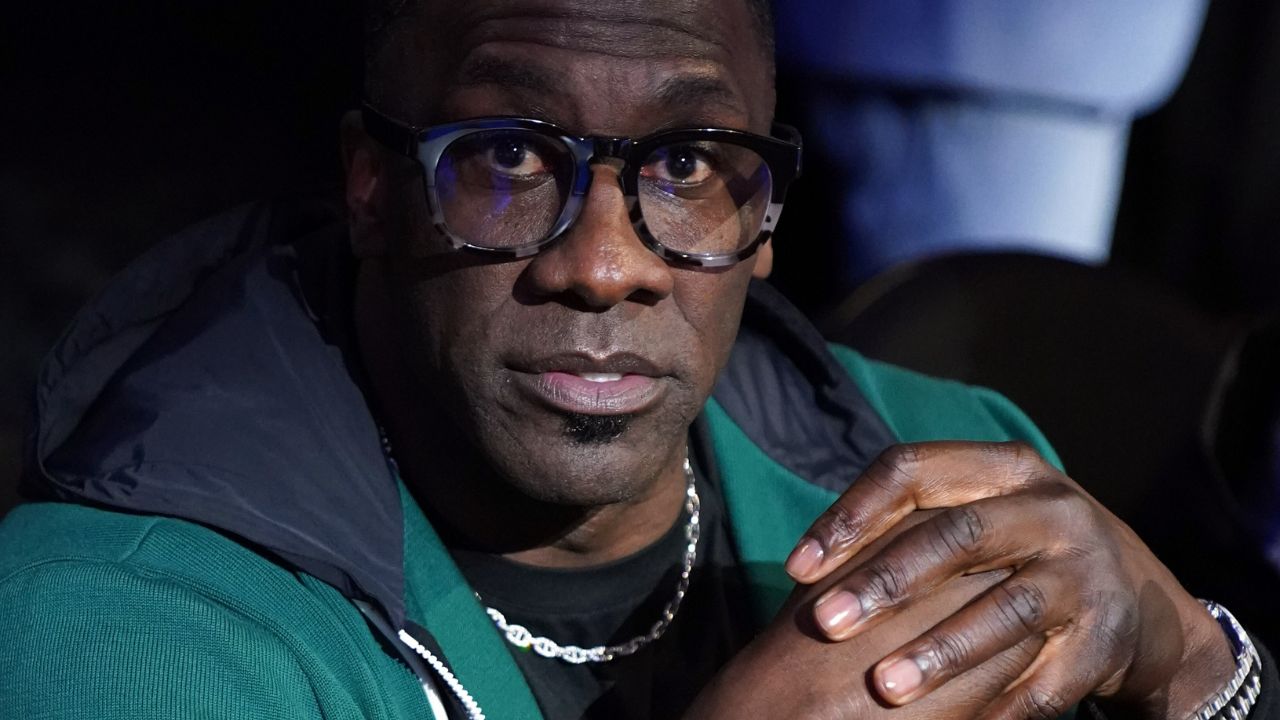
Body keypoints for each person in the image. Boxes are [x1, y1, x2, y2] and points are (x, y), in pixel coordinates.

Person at [0, 1, 1272, 718]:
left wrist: (1192, 663)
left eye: (682, 165)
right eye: (506, 156)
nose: (604, 265)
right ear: (373, 188)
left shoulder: (942, 465)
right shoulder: (113, 627)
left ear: (762, 214)